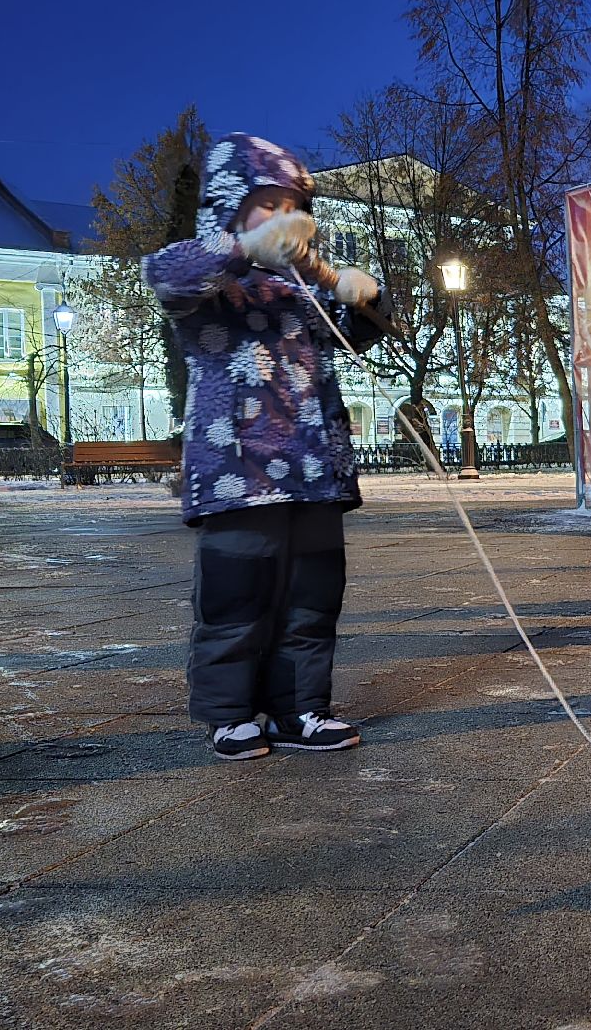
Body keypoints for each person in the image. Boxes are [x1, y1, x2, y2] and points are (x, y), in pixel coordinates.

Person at [143, 132, 392, 759]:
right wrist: (244, 249)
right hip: (237, 475)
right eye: (268, 206)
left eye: (293, 208)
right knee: (236, 597)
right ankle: (230, 714)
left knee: (312, 597)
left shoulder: (304, 292)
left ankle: (300, 708)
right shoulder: (211, 279)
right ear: (231, 206)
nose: (286, 221)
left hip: (314, 473)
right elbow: (168, 277)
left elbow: (364, 334)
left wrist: (350, 287)